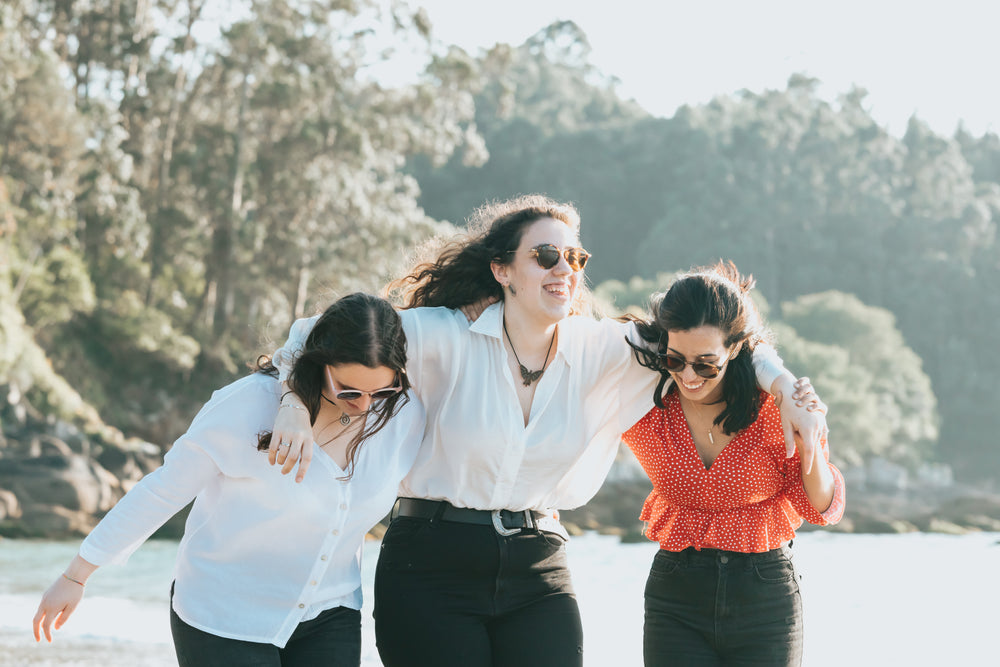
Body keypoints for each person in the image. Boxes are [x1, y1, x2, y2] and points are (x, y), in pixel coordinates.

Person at [268, 195, 826, 667]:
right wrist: (294, 403)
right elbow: (316, 334)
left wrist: (785, 390)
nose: (565, 269)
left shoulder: (605, 348)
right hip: (431, 563)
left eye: (574, 257)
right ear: (502, 269)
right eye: (545, 255)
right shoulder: (440, 336)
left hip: (538, 565)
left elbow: (724, 340)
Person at [32, 293, 425, 667]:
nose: (365, 406)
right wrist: (77, 574)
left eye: (382, 391)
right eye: (350, 390)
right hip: (224, 613)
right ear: (319, 362)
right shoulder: (249, 405)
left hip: (330, 612)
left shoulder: (402, 414)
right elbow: (163, 491)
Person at [623, 262, 845, 666]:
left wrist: (810, 444)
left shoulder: (775, 411)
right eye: (676, 361)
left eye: (706, 364)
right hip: (676, 596)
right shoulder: (647, 406)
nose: (689, 376)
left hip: (764, 600)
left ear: (736, 348)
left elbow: (820, 505)